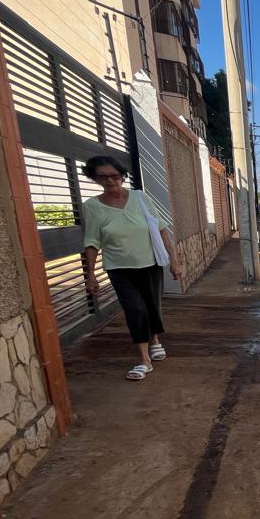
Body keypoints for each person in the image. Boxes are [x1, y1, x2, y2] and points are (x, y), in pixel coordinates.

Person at [82, 155, 180, 380]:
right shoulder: (92, 207)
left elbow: (162, 229)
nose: (110, 181)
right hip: (119, 268)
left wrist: (175, 261)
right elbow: (91, 242)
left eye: (114, 176)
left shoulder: (140, 198)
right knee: (135, 309)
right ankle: (144, 360)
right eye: (103, 177)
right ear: (95, 179)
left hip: (150, 263)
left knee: (151, 307)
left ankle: (155, 339)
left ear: (123, 176)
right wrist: (91, 276)